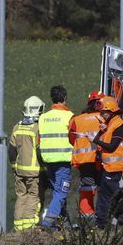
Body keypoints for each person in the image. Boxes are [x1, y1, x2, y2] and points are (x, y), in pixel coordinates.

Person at [37, 86, 74, 227]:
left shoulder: (43, 117)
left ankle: (63, 224)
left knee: (57, 192)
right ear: (65, 98)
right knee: (61, 193)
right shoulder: (69, 116)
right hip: (63, 161)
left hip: (48, 160)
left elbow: (39, 140)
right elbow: (74, 138)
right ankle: (47, 223)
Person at [92, 96, 123, 225]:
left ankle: (103, 222)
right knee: (113, 196)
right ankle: (121, 221)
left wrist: (97, 140)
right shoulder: (110, 125)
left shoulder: (120, 125)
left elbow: (112, 146)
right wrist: (100, 132)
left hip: (116, 168)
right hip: (109, 167)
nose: (102, 115)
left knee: (109, 197)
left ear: (111, 110)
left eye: (104, 112)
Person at [10, 95, 45, 231]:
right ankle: (30, 228)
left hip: (19, 171)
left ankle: (19, 227)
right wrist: (46, 169)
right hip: (34, 172)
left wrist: (14, 167)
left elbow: (11, 150)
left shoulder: (17, 127)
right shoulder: (37, 128)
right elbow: (40, 151)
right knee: (33, 197)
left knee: (21, 197)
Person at [69, 91, 105, 219]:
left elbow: (71, 139)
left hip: (84, 160)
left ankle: (86, 216)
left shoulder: (76, 120)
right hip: (102, 158)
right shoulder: (106, 118)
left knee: (86, 187)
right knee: (103, 188)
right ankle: (103, 216)